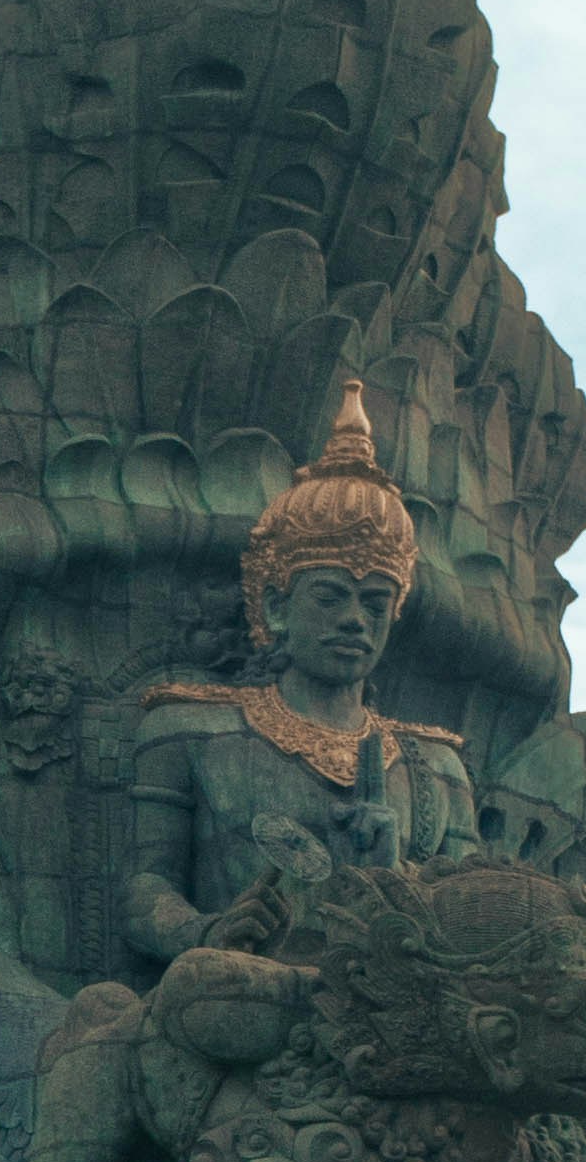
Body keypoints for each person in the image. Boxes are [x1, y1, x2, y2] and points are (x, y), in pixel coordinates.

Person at [124, 381, 475, 959]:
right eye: (331, 597)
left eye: (375, 604)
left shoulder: (437, 769)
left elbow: (470, 922)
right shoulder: (187, 730)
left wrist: (392, 883)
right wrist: (206, 933)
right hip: (239, 986)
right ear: (276, 607)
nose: (355, 620)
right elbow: (145, 889)